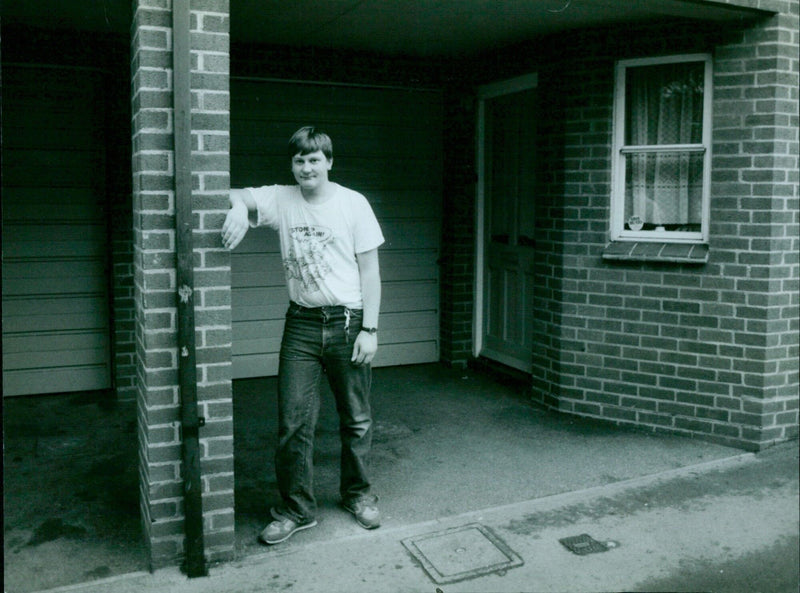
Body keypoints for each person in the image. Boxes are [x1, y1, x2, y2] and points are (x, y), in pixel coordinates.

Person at [221, 126, 384, 545]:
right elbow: (233, 192)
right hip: (302, 324)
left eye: (314, 159)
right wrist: (239, 209)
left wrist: (370, 328)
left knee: (357, 418)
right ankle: (297, 509)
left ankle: (359, 496)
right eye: (299, 160)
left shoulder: (353, 204)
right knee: (293, 421)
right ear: (292, 164)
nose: (306, 167)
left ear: (329, 161)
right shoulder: (281, 198)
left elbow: (370, 271)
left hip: (349, 322)